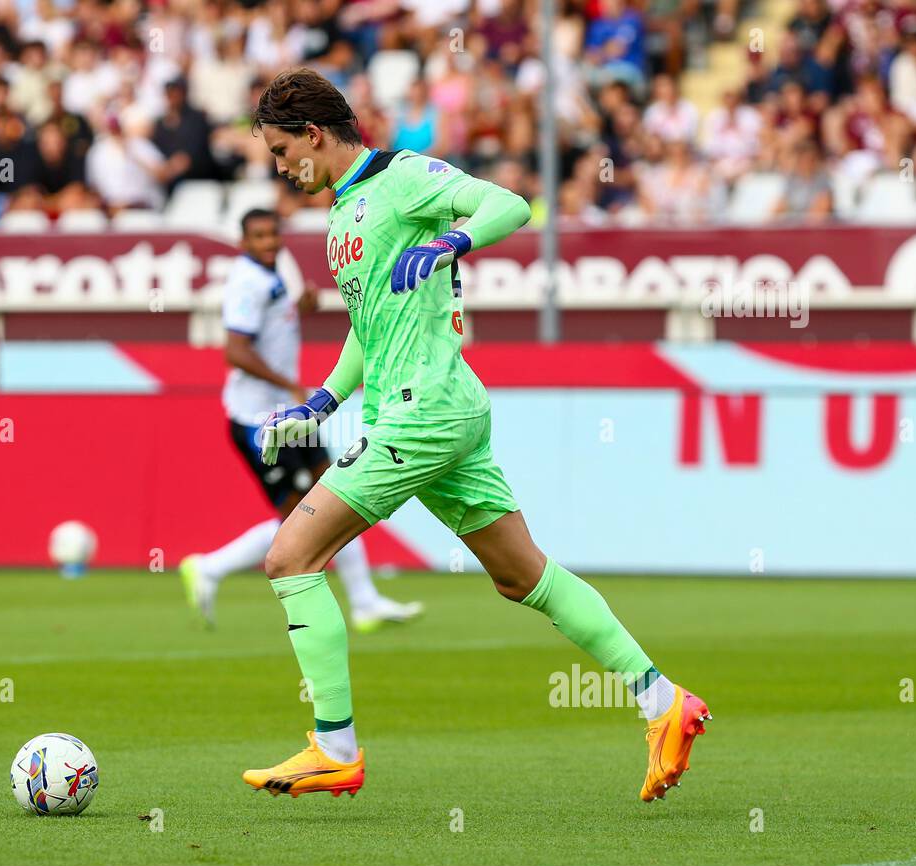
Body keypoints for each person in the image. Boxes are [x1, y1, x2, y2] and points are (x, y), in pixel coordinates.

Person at [241, 69, 710, 801]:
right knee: (523, 575)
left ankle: (335, 746)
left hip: (422, 412)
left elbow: (509, 203)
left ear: (312, 135)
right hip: (435, 412)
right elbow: (371, 331)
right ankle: (663, 701)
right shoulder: (341, 219)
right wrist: (321, 402)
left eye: (279, 150)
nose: (277, 168)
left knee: (290, 556)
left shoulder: (401, 177)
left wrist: (453, 241)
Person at [179, 208, 422, 634]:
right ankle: (210, 567)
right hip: (259, 422)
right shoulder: (246, 282)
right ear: (243, 242)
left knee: (335, 496)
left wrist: (298, 308)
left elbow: (271, 329)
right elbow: (234, 351)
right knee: (300, 519)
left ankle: (365, 602)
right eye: (258, 236)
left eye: (273, 234)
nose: (269, 242)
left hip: (289, 416)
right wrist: (289, 384)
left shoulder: (272, 274)